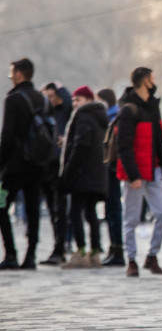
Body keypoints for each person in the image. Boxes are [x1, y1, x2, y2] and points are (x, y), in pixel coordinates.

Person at [118, 67, 162, 277]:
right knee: (131, 218)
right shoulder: (128, 109)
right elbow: (123, 146)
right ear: (144, 81)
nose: (155, 82)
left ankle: (152, 255)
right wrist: (133, 175)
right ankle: (131, 259)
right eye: (152, 79)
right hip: (135, 173)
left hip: (155, 168)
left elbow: (160, 141)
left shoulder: (152, 107)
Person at [0, 59, 49, 270]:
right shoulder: (42, 99)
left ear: (19, 74)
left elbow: (7, 136)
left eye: (12, 73)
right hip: (38, 164)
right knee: (33, 209)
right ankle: (31, 256)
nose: (11, 77)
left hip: (15, 166)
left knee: (1, 204)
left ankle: (11, 254)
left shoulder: (13, 99)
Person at [59, 86, 108, 268]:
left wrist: (69, 171)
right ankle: (94, 252)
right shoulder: (99, 117)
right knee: (91, 213)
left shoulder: (84, 117)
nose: (75, 104)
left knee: (75, 213)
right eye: (73, 100)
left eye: (78, 100)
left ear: (88, 100)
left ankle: (80, 252)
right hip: (96, 173)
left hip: (82, 173)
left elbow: (81, 145)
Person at [39, 82, 72, 264]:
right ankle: (58, 246)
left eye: (52, 96)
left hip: (60, 166)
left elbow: (67, 99)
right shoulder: (46, 114)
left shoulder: (66, 112)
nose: (50, 100)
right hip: (46, 165)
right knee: (53, 210)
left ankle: (62, 246)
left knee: (60, 209)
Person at [96, 88, 125, 266]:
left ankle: (117, 248)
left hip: (112, 167)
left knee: (113, 208)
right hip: (111, 167)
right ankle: (114, 247)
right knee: (111, 209)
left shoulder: (112, 117)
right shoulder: (111, 116)